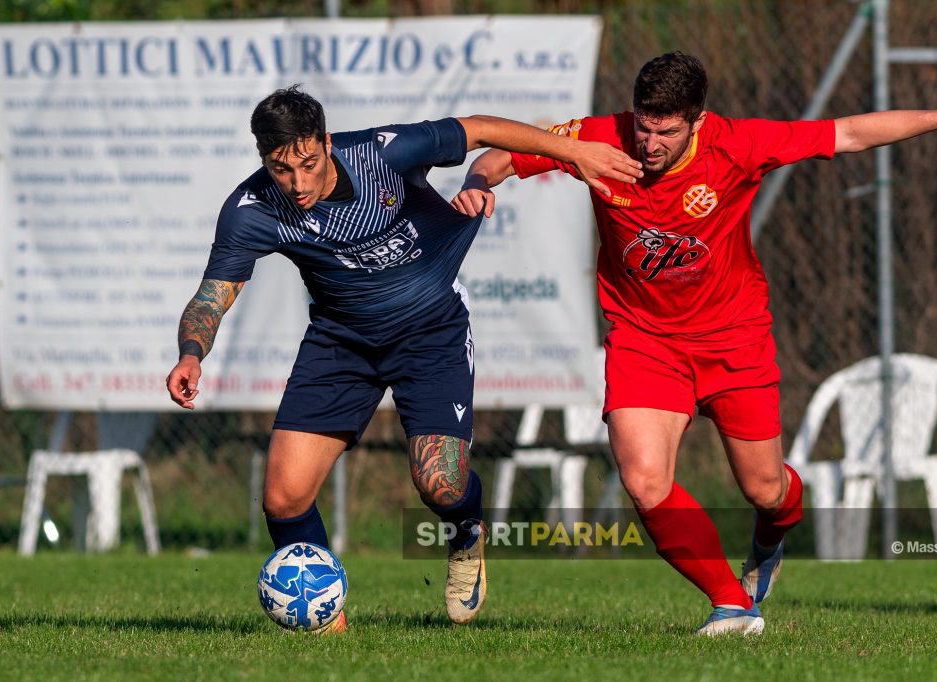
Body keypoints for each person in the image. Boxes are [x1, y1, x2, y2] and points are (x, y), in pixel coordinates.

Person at [452, 51, 937, 636]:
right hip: (645, 339)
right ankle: (732, 604)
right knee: (644, 479)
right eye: (644, 126)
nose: (648, 143)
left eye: (666, 131)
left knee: (765, 489)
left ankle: (770, 540)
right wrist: (474, 183)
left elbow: (846, 132)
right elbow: (502, 156)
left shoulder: (736, 145)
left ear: (697, 120)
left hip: (733, 337)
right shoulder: (601, 138)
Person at [165, 85, 643, 632]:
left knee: (440, 484)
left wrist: (576, 152)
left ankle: (466, 535)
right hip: (341, 344)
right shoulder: (249, 211)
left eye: (307, 163)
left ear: (325, 142)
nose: (297, 183)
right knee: (283, 496)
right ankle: (325, 623)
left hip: (430, 332)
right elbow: (210, 297)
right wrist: (191, 354)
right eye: (280, 169)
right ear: (262, 160)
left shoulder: (380, 154)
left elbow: (480, 128)